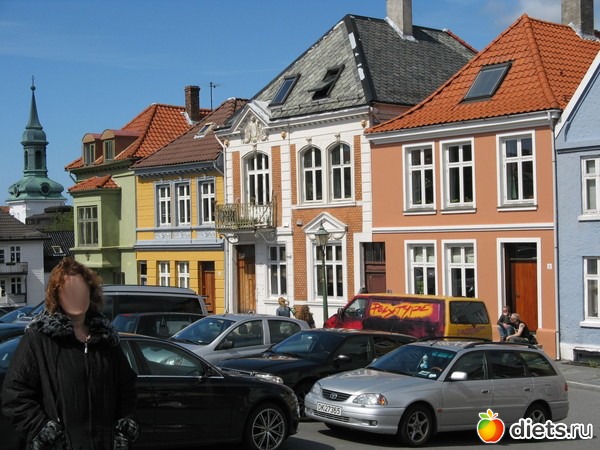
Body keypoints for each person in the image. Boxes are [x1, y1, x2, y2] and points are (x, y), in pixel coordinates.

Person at [2, 258, 139, 450]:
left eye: (81, 290)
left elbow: (127, 388)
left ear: (90, 293)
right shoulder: (39, 338)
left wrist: (122, 430)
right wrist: (45, 432)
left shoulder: (106, 338)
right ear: (56, 296)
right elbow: (14, 394)